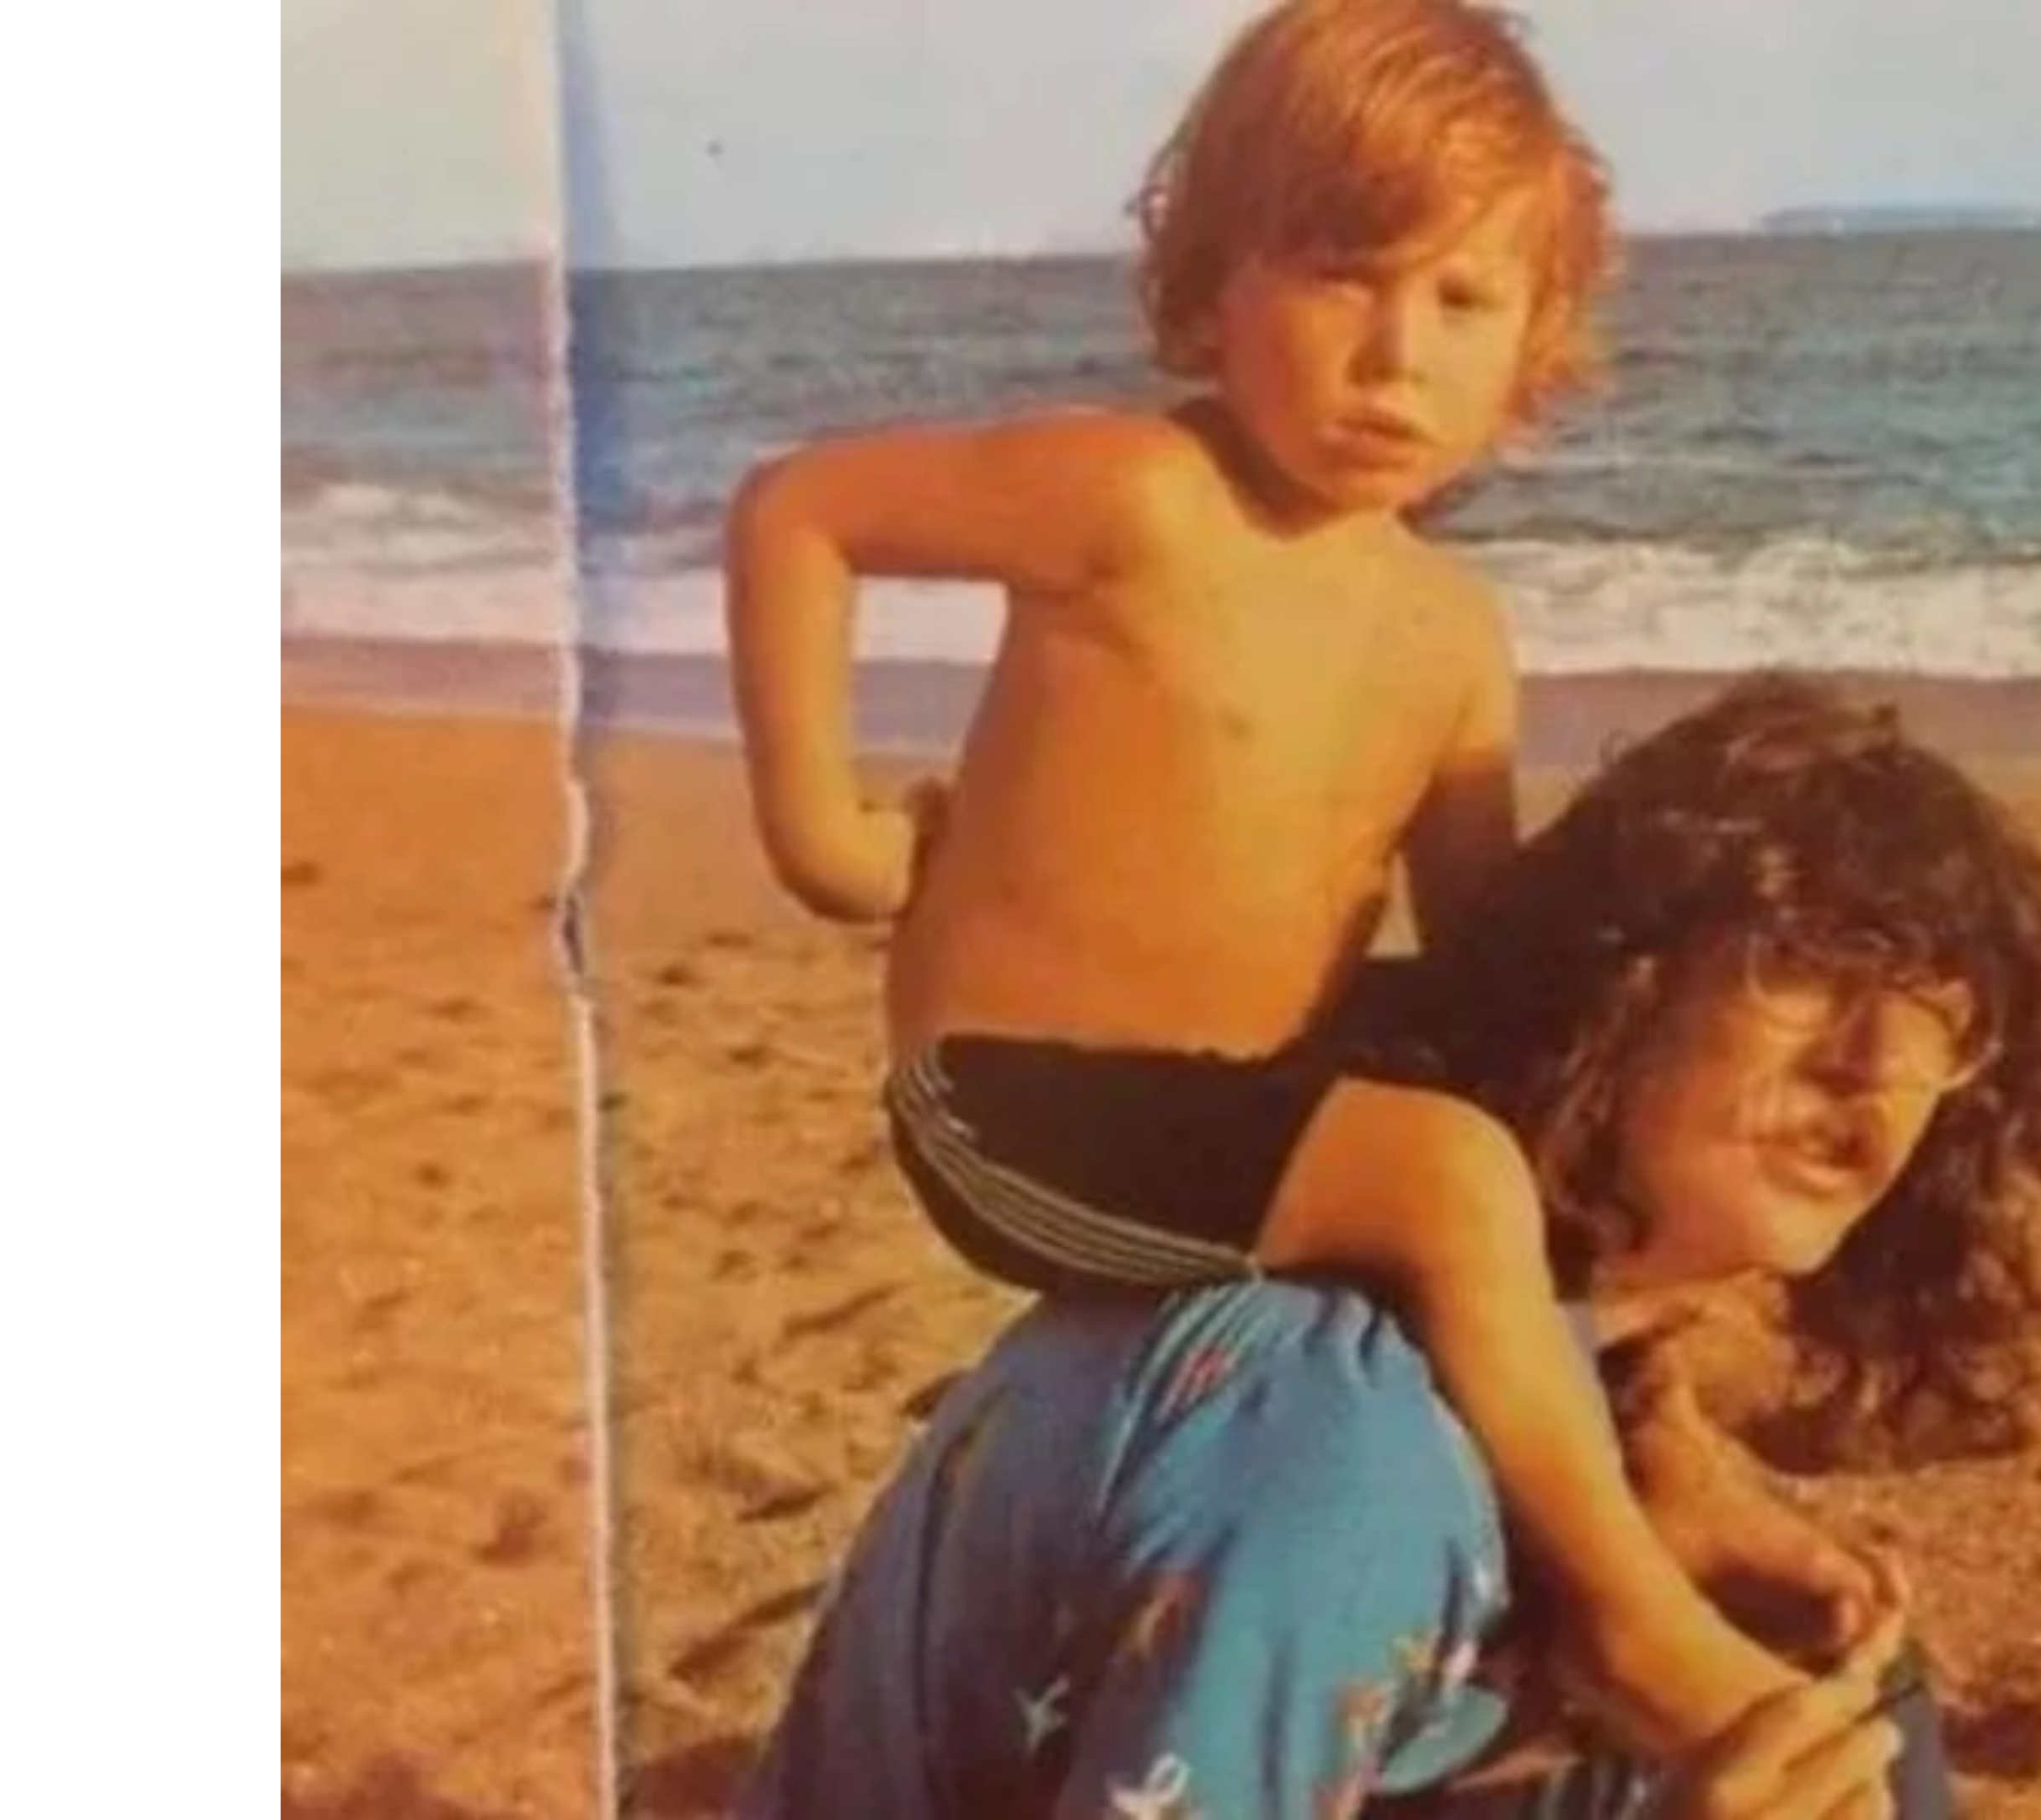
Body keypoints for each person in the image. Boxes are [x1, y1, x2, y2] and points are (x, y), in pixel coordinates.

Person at [721, 0, 1813, 1750]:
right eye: (1338, 277)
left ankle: (1648, 1469)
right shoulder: (1139, 497)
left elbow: (1485, 962)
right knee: (1454, 1176)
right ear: (1211, 286)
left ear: (1536, 342)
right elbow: (800, 511)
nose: (1395, 355)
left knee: (1539, 1136)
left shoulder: (1451, 635)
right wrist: (824, 837)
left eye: (1462, 301)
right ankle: (1624, 1615)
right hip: (1021, 1112)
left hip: (1247, 1106)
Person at [733, 675, 2041, 1817]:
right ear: (1629, 970)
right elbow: (965, 1089)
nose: (1874, 1065)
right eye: (1810, 962)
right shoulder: (1335, 1426)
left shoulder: (1557, 1384)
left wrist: (1646, 1469)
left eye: (1941, 1013)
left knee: (1835, 1697)